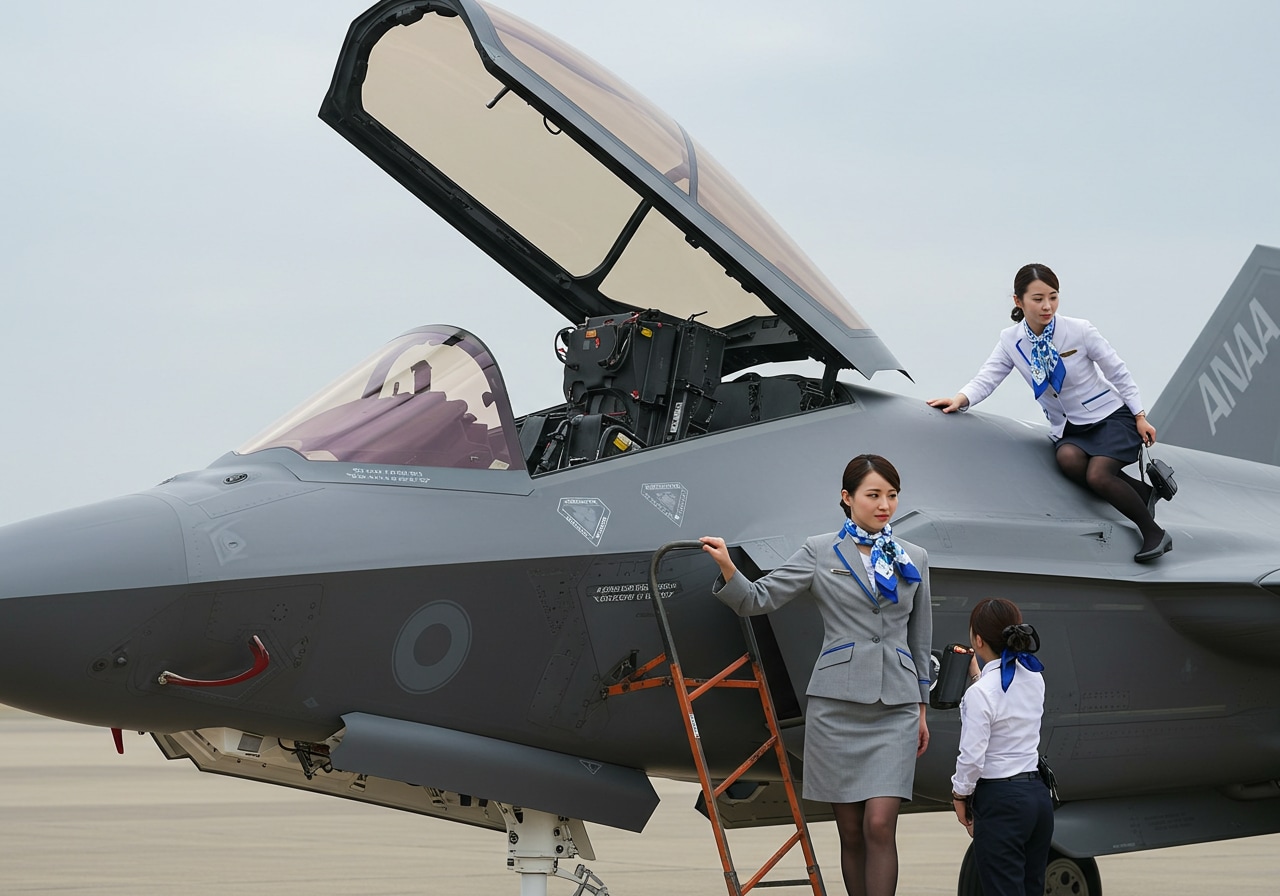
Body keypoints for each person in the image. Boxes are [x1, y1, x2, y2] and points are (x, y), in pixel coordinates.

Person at [700, 454, 932, 896]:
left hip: (896, 708)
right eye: (874, 495)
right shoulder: (820, 550)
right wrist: (729, 568)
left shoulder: (914, 557)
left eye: (892, 495)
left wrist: (921, 707)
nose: (885, 504)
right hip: (836, 708)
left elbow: (920, 637)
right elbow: (757, 599)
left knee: (880, 825)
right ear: (847, 498)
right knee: (851, 832)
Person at [927, 263, 1174, 562]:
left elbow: (1118, 372)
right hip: (1069, 427)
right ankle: (1142, 494)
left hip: (1109, 417)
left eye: (1053, 297)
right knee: (1068, 460)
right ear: (1018, 301)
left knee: (1098, 474)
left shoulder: (1080, 330)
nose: (1047, 306)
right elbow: (988, 376)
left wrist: (1139, 415)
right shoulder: (1011, 341)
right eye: (1038, 299)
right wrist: (960, 399)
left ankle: (1153, 532)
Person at [950, 598, 1053, 896]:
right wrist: (977, 675)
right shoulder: (1034, 677)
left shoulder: (980, 694)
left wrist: (960, 795)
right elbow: (1002, 698)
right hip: (1037, 798)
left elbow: (972, 758)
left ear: (978, 640)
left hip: (1002, 802)